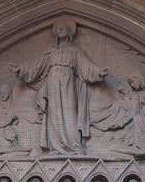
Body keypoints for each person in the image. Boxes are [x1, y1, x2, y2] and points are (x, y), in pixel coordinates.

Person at [9, 18, 107, 153]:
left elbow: (86, 66)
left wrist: (98, 72)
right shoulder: (50, 53)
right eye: (58, 29)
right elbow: (36, 66)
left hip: (68, 85)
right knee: (54, 114)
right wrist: (21, 68)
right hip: (53, 85)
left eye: (63, 28)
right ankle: (56, 147)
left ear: (69, 32)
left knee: (70, 113)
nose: (60, 30)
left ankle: (74, 145)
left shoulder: (74, 51)